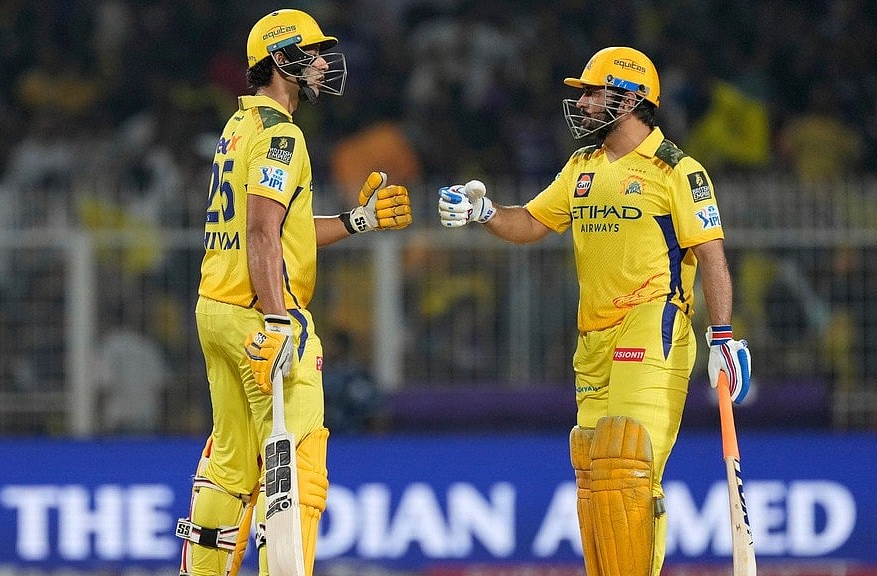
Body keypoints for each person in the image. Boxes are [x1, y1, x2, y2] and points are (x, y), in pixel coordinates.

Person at [437, 46, 751, 576]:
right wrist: (482, 213)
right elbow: (533, 223)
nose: (580, 104)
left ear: (628, 100)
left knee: (630, 466)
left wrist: (723, 336)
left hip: (651, 326)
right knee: (595, 471)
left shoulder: (677, 170)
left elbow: (711, 256)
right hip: (594, 339)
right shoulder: (581, 167)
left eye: (590, 92)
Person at [176, 9, 412, 576]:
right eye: (312, 53)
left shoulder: (239, 128)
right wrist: (280, 321)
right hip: (263, 317)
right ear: (282, 61)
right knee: (299, 461)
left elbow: (284, 232)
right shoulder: (283, 136)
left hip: (217, 309)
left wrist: (358, 221)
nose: (325, 64)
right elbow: (261, 230)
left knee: (232, 466)